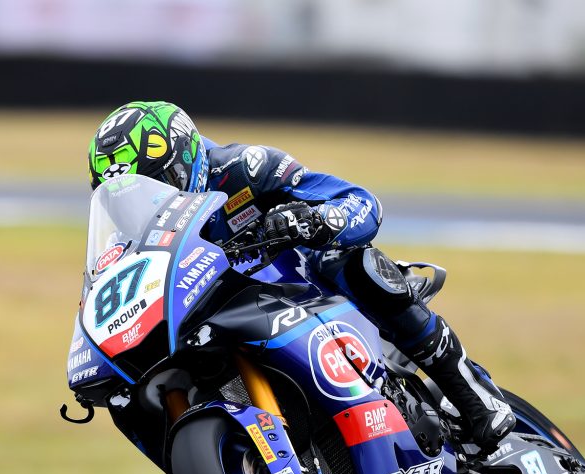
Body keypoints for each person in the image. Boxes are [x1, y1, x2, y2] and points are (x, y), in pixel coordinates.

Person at [88, 101, 514, 454]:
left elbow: (359, 201)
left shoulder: (245, 168)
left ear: (186, 160)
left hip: (303, 290)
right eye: (126, 202)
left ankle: (472, 392)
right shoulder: (128, 238)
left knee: (350, 262)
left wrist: (318, 220)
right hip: (220, 316)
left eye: (157, 184)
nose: (145, 207)